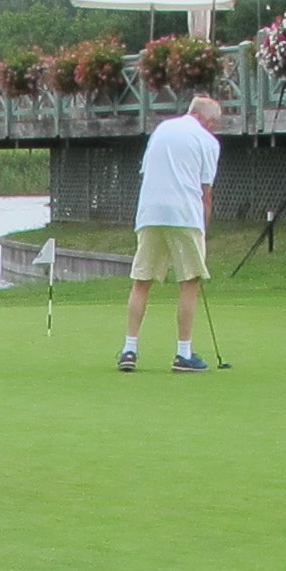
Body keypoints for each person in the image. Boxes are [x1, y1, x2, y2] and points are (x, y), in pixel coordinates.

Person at [120, 94, 222, 374]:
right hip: (184, 214)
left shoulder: (162, 129)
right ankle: (184, 354)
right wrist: (204, 227)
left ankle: (129, 349)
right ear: (207, 119)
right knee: (189, 281)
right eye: (215, 123)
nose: (215, 129)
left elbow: (148, 171)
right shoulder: (209, 142)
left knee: (142, 281)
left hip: (150, 212)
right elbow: (206, 193)